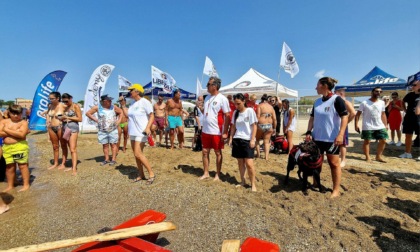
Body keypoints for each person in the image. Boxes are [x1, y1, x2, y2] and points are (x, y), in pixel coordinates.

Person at [306, 77, 348, 198]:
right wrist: (309, 131)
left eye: (317, 85)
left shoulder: (337, 99)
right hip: (317, 138)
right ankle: (315, 182)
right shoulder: (317, 102)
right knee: (316, 162)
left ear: (324, 86)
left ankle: (336, 189)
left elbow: (344, 117)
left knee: (334, 164)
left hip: (331, 139)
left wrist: (341, 134)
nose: (315, 87)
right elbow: (312, 118)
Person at [199, 77, 230, 181]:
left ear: (214, 86)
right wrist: (201, 109)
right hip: (206, 130)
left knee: (217, 152)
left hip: (217, 131)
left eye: (208, 84)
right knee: (204, 151)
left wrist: (225, 132)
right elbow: (207, 113)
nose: (207, 86)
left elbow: (228, 116)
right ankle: (206, 173)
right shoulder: (207, 97)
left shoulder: (222, 99)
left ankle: (217, 174)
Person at [124, 84, 156, 184]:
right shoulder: (132, 103)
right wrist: (123, 104)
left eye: (131, 90)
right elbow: (127, 115)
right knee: (136, 155)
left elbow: (152, 116)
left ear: (137, 91)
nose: (130, 92)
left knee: (138, 153)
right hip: (133, 132)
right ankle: (141, 174)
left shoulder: (145, 102)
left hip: (141, 131)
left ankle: (151, 174)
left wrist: (147, 128)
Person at [228, 93, 258, 191]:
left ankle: (253, 184)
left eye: (238, 103)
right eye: (235, 104)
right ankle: (242, 181)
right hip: (237, 139)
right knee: (240, 162)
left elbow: (254, 126)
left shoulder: (250, 111)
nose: (237, 106)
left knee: (249, 163)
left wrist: (252, 139)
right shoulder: (236, 113)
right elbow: (233, 126)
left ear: (244, 101)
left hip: (247, 140)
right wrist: (231, 138)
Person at [0, 105, 30, 192]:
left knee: (22, 166)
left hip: (19, 146)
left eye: (18, 114)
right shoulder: (4, 121)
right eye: (14, 113)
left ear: (21, 113)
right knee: (9, 167)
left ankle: (26, 185)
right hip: (7, 147)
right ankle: (10, 185)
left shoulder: (23, 122)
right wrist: (16, 132)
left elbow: (22, 135)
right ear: (9, 112)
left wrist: (7, 130)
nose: (16, 116)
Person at [85, 95, 122, 166]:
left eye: (111, 100)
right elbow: (88, 113)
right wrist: (96, 120)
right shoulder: (98, 107)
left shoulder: (113, 107)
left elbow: (121, 112)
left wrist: (119, 121)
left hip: (113, 129)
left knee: (113, 145)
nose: (111, 101)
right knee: (105, 145)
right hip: (102, 130)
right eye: (109, 100)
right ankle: (106, 159)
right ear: (105, 101)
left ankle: (113, 159)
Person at [354, 87, 388, 162]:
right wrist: (356, 125)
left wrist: (385, 125)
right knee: (367, 141)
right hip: (368, 125)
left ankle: (378, 156)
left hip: (380, 125)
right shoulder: (364, 103)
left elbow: (383, 114)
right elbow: (357, 114)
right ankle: (367, 157)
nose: (378, 93)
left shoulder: (382, 102)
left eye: (380, 91)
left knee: (383, 140)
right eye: (376, 91)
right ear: (372, 92)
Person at [399, 72, 420, 159]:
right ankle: (407, 153)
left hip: (419, 118)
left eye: (414, 85)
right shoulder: (410, 95)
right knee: (408, 135)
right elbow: (402, 102)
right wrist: (405, 110)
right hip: (409, 117)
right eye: (412, 85)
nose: (412, 86)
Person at [60, 93, 82, 175]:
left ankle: (74, 169)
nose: (65, 103)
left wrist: (68, 117)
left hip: (73, 129)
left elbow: (80, 119)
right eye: (63, 101)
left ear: (71, 98)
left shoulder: (75, 106)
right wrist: (62, 119)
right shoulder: (65, 107)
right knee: (70, 148)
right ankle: (73, 166)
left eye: (66, 101)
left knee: (73, 149)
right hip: (66, 128)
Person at [334, 87, 356, 168]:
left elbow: (353, 113)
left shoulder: (345, 102)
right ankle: (337, 157)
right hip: (335, 126)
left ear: (341, 93)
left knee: (342, 144)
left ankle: (343, 160)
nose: (333, 94)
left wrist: (346, 122)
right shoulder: (335, 101)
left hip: (342, 126)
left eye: (335, 92)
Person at [46, 92, 66, 170]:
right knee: (55, 146)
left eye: (52, 98)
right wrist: (48, 120)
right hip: (51, 127)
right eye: (49, 98)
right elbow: (47, 114)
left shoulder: (63, 105)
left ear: (58, 98)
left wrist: (64, 118)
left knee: (63, 145)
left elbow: (70, 114)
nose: (50, 100)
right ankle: (56, 163)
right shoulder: (50, 106)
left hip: (60, 127)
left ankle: (63, 163)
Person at [255, 94, 276, 160]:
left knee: (257, 140)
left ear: (261, 100)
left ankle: (258, 155)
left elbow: (258, 116)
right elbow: (275, 119)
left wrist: (255, 125)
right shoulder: (271, 107)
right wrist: (274, 128)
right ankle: (266, 157)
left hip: (261, 124)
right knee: (267, 142)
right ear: (267, 100)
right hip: (269, 125)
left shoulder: (260, 106)